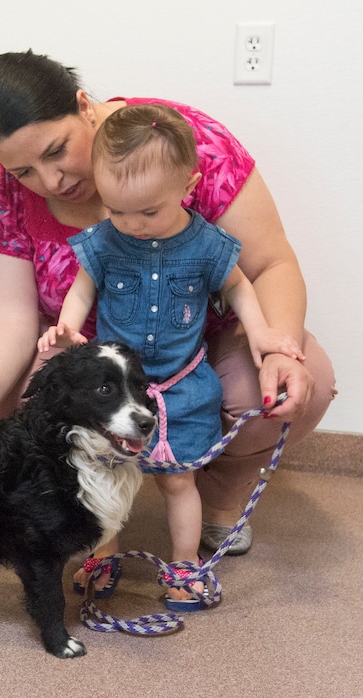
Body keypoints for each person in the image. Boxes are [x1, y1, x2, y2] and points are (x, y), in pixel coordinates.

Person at [0, 50, 336, 596]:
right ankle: (92, 522)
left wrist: (279, 347)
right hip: (92, 362)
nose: (49, 180)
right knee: (17, 408)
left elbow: (266, 266)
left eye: (56, 151)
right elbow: (6, 311)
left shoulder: (174, 141)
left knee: (291, 388)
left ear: (83, 107)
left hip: (192, 353)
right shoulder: (3, 194)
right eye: (24, 170)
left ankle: (216, 493)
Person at [37, 103, 304, 608]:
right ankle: (105, 553)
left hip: (181, 387)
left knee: (179, 483)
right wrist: (68, 327)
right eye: (116, 210)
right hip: (115, 391)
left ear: (188, 184)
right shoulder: (106, 242)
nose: (131, 224)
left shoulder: (208, 245)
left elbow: (243, 289)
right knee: (103, 475)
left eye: (148, 211)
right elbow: (82, 290)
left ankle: (184, 566)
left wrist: (264, 334)